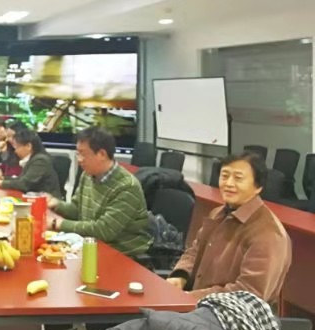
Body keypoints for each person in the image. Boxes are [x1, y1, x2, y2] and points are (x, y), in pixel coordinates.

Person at [167, 152, 292, 305]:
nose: (229, 183)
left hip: (234, 314)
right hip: (200, 305)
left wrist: (192, 297)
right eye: (224, 176)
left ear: (258, 187)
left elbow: (249, 293)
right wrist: (180, 276)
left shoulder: (269, 233)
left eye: (238, 178)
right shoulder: (217, 213)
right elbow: (195, 251)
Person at [45, 126, 151, 257]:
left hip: (123, 254)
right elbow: (77, 210)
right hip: (91, 246)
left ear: (102, 154)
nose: (79, 159)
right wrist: (56, 204)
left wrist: (57, 224)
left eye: (83, 154)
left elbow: (104, 230)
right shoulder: (88, 175)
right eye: (78, 153)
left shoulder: (127, 186)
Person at [0, 129, 62, 197]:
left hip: (46, 202)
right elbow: (20, 179)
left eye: (17, 147)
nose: (15, 151)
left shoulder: (40, 160)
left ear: (28, 146)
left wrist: (0, 183)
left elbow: (24, 184)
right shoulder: (31, 159)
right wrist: (2, 178)